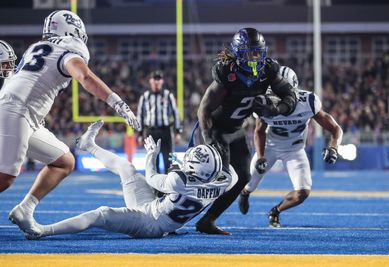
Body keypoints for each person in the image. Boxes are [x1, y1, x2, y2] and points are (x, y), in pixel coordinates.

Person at [2, 10, 141, 235]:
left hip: (25, 114)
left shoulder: (35, 48)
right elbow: (84, 77)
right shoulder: (69, 49)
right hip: (17, 110)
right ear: (73, 30)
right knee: (5, 177)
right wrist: (118, 103)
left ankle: (25, 209)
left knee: (63, 161)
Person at [18, 120, 235, 240]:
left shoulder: (180, 181)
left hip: (150, 224)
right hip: (154, 209)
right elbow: (227, 172)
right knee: (126, 168)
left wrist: (151, 153)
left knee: (101, 214)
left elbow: (151, 177)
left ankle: (43, 231)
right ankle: (88, 145)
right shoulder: (224, 182)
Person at [195, 28, 298, 235]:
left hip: (235, 129)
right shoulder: (227, 73)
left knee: (242, 177)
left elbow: (290, 97)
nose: (255, 57)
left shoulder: (268, 71)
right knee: (212, 176)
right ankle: (166, 199)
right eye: (250, 52)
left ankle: (207, 220)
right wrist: (210, 143)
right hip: (215, 129)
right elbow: (203, 110)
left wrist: (276, 108)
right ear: (238, 52)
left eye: (258, 52)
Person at [238, 66, 343, 227]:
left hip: (294, 150)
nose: (278, 95)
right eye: (275, 90)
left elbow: (335, 129)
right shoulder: (265, 102)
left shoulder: (307, 102)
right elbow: (259, 130)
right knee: (250, 183)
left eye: (283, 90)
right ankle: (245, 194)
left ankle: (275, 211)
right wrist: (260, 156)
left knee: (303, 192)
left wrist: (334, 147)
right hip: (270, 147)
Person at [136, 70, 182, 173]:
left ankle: (168, 186)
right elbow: (140, 115)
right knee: (153, 162)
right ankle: (155, 188)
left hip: (165, 131)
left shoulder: (168, 95)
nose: (156, 82)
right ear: (150, 81)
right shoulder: (145, 96)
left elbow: (176, 113)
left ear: (162, 81)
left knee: (168, 160)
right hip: (150, 132)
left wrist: (178, 131)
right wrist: (139, 133)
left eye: (158, 79)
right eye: (154, 79)